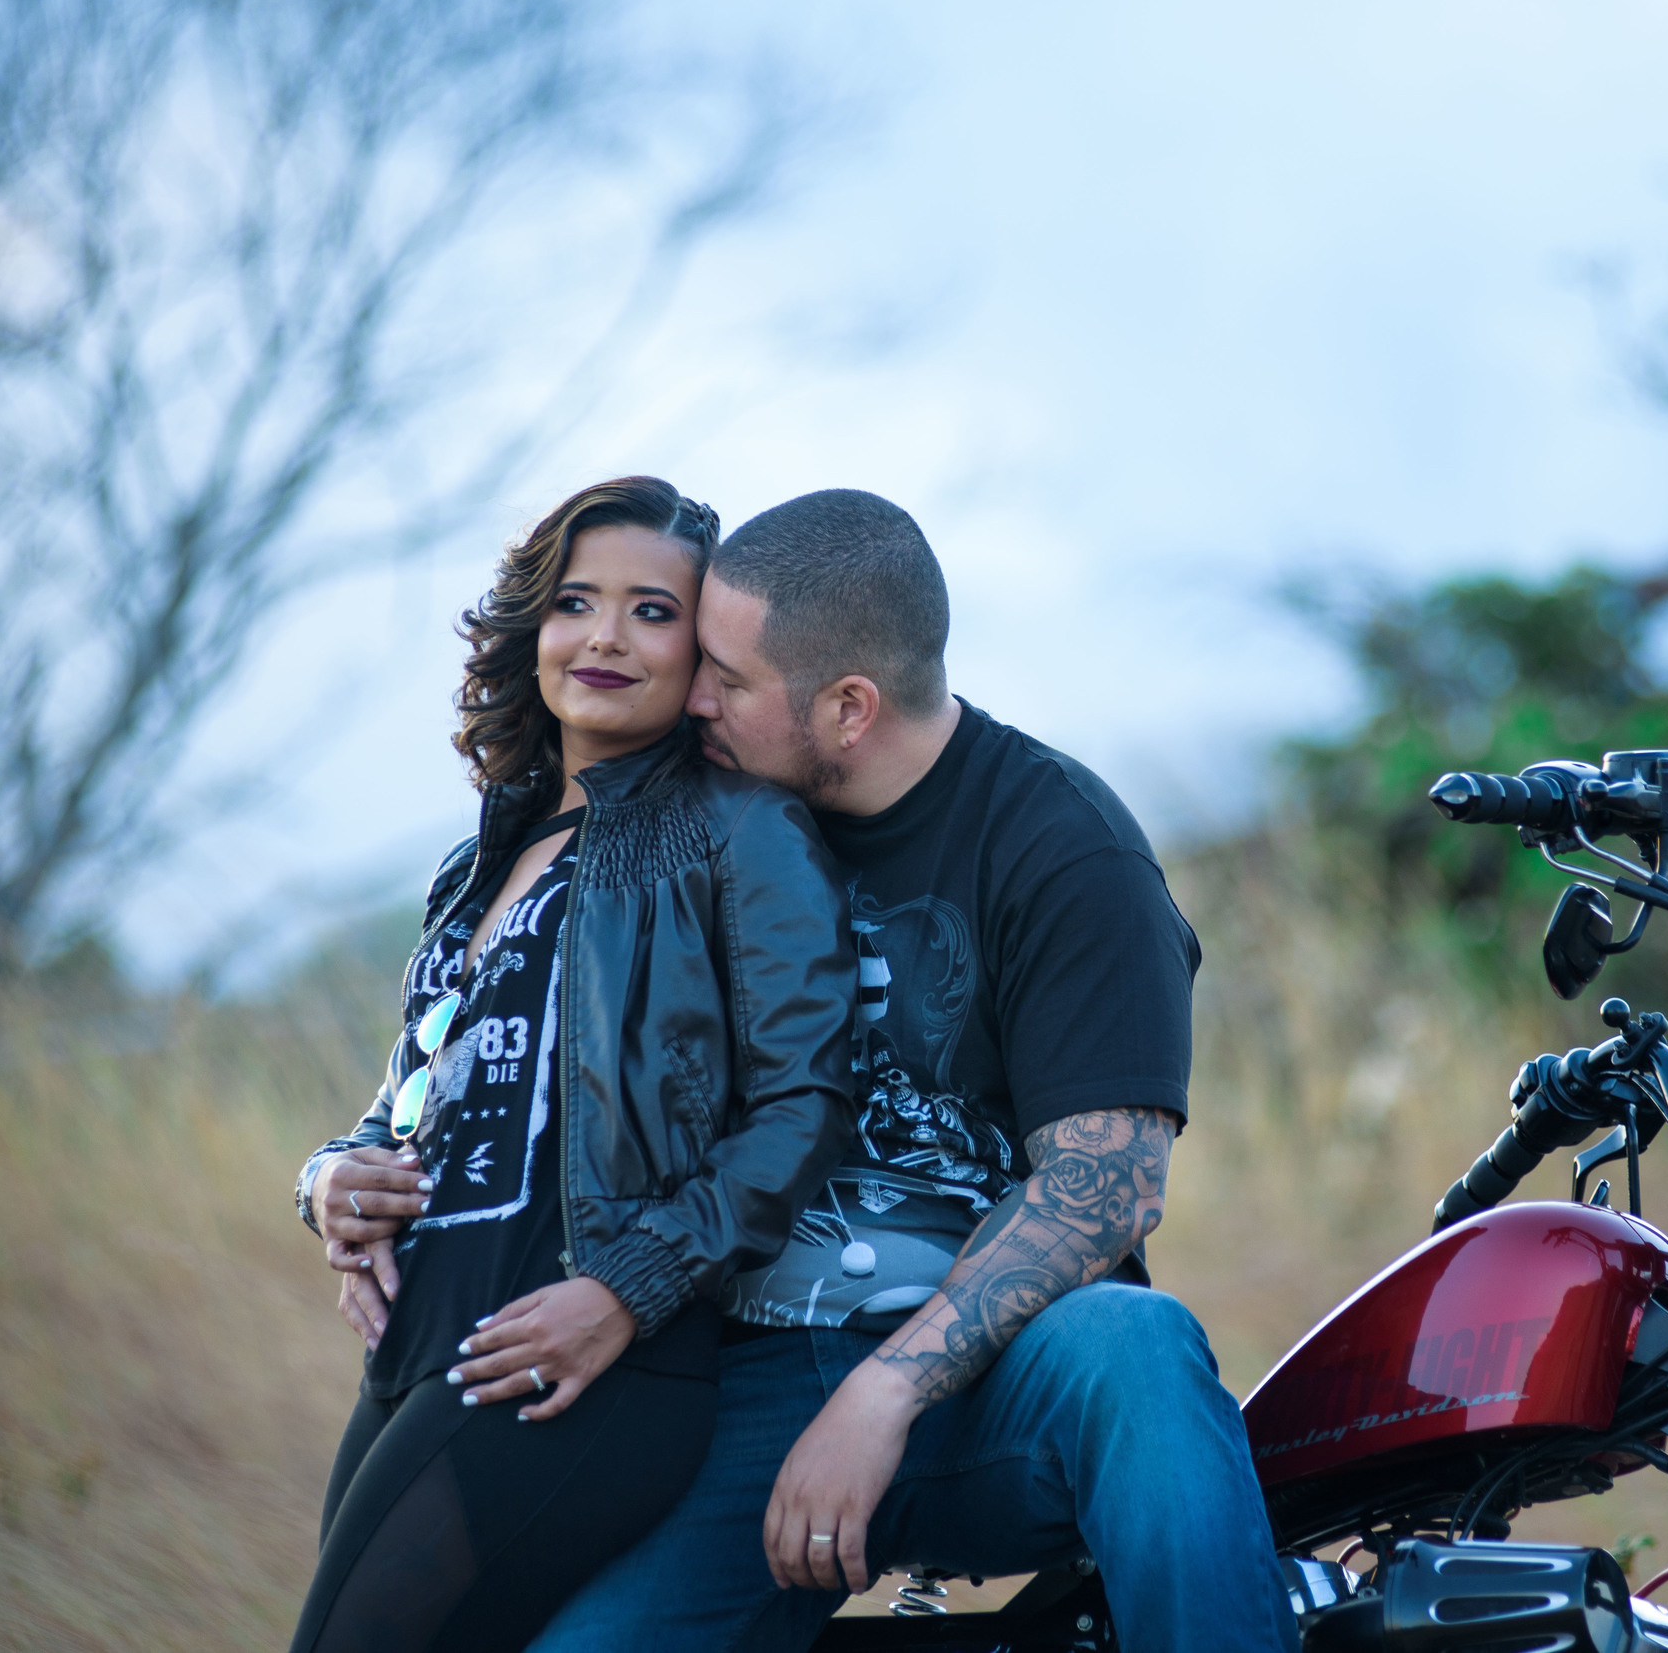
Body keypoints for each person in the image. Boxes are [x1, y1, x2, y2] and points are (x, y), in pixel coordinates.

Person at [533, 490, 1298, 1653]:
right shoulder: (699, 818)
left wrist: (883, 1392)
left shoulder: (1063, 850)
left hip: (988, 1378)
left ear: (848, 707)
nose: (694, 698)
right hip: (742, 1381)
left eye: (728, 679)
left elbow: (1106, 1188)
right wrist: (350, 1165)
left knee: (1136, 1346)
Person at [287, 477, 859, 1653]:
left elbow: (804, 1100)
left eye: (652, 611)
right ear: (529, 627)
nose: (603, 636)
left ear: (701, 651)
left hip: (581, 1364)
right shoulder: (476, 856)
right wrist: (333, 1179)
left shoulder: (738, 829)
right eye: (574, 602)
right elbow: (420, 1091)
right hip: (414, 1353)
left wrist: (630, 1287)